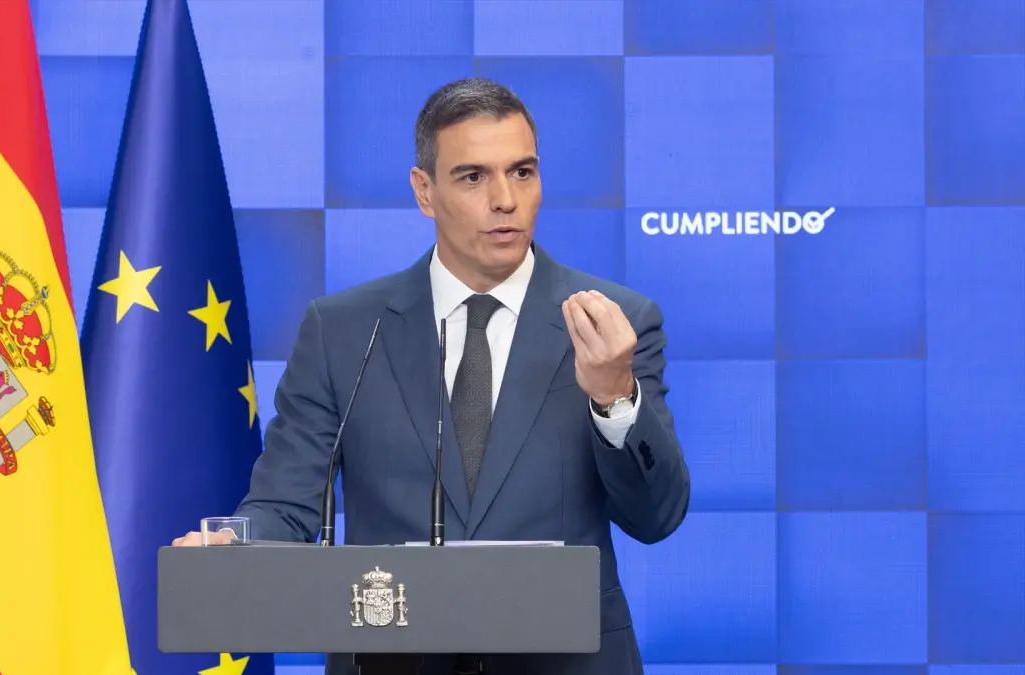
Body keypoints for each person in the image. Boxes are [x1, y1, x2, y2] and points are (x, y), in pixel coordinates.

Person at [173, 77, 690, 674]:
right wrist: (235, 544)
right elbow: (287, 506)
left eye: (522, 172)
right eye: (473, 177)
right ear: (424, 191)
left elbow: (657, 516)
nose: (505, 199)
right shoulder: (343, 331)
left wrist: (614, 398)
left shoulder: (614, 324)